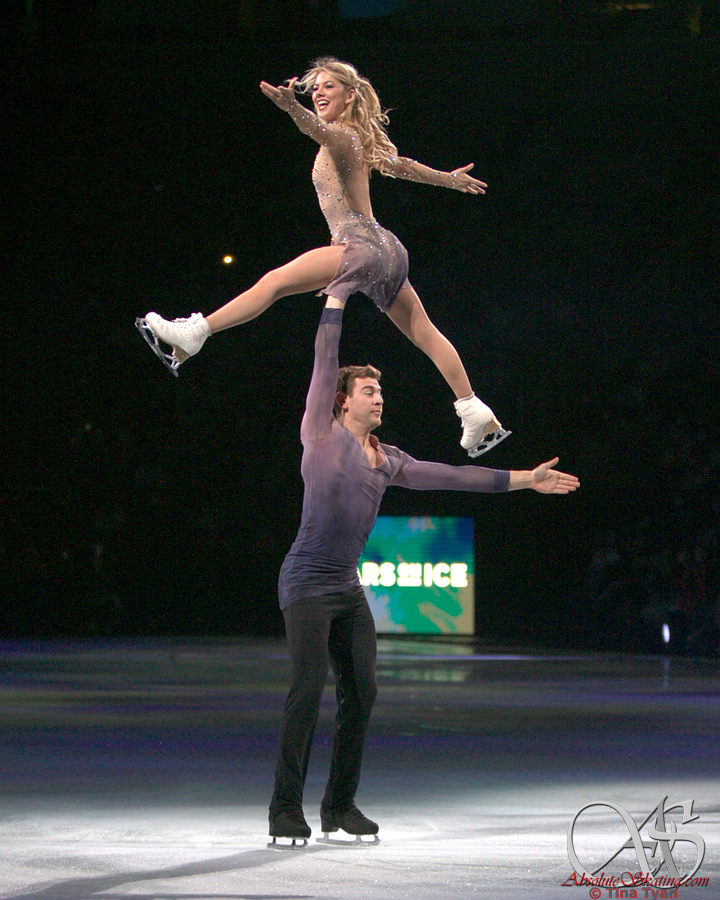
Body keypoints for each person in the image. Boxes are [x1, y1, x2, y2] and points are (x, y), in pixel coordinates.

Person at [267, 294, 579, 846]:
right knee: (307, 689)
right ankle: (285, 809)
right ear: (342, 401)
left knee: (362, 693)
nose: (379, 397)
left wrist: (525, 479)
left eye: (381, 391)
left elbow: (455, 476)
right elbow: (324, 358)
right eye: (369, 391)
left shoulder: (390, 460)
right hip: (306, 582)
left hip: (346, 587)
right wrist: (336, 299)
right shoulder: (320, 433)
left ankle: (339, 806)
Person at [136, 57, 510, 458]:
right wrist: (446, 179)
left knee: (275, 283)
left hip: (359, 244)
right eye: (314, 87)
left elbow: (318, 131)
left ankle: (197, 332)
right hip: (386, 250)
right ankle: (472, 407)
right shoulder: (358, 140)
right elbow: (400, 166)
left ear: (350, 95)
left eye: (328, 86)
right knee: (424, 331)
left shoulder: (342, 136)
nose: (318, 92)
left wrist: (292, 108)